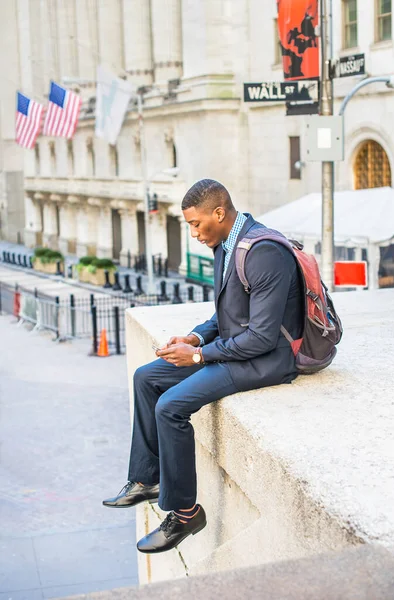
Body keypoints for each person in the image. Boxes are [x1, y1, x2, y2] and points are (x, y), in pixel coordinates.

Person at [103, 179, 303, 554]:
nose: (193, 233)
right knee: (146, 377)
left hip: (268, 360)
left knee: (171, 406)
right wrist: (194, 339)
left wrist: (199, 357)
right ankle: (147, 479)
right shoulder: (227, 244)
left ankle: (185, 513)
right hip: (237, 350)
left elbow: (260, 338)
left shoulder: (263, 252)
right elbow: (227, 314)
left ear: (219, 213)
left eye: (196, 224)